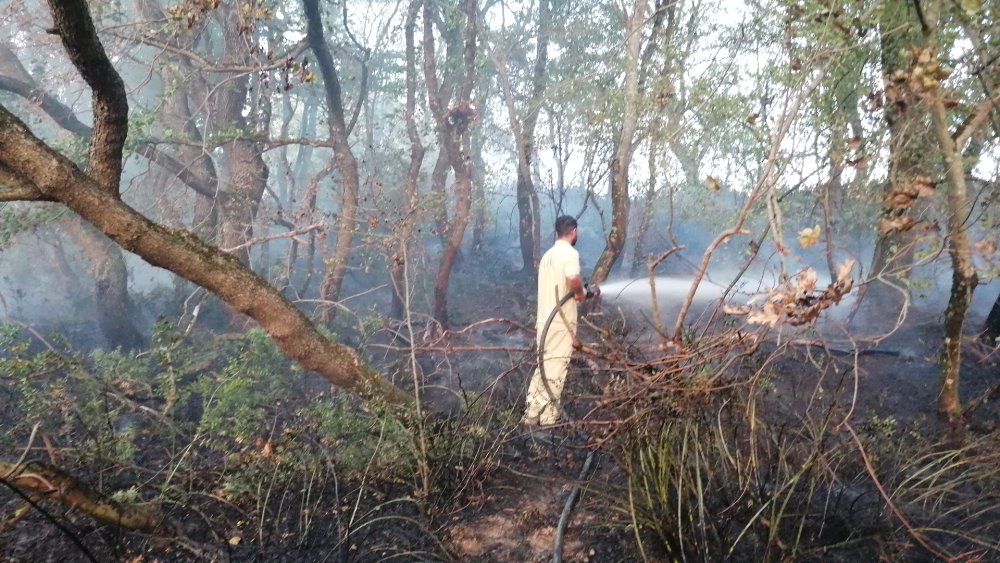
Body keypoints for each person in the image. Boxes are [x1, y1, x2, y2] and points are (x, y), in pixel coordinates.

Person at [522, 215, 588, 427]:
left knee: (543, 366)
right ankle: (549, 419)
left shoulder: (548, 256)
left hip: (544, 321)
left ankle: (531, 414)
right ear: (574, 232)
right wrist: (580, 293)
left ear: (555, 232)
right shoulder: (569, 253)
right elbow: (574, 278)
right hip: (559, 322)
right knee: (556, 368)